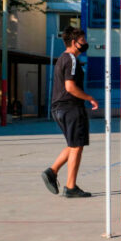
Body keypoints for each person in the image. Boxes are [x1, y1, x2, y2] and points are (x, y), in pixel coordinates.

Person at [41, 26, 98, 198]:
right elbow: (70, 87)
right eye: (83, 41)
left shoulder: (62, 59)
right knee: (77, 147)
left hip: (59, 108)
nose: (86, 43)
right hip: (70, 107)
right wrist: (89, 98)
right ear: (74, 42)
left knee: (73, 144)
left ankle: (52, 171)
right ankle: (70, 187)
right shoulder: (71, 59)